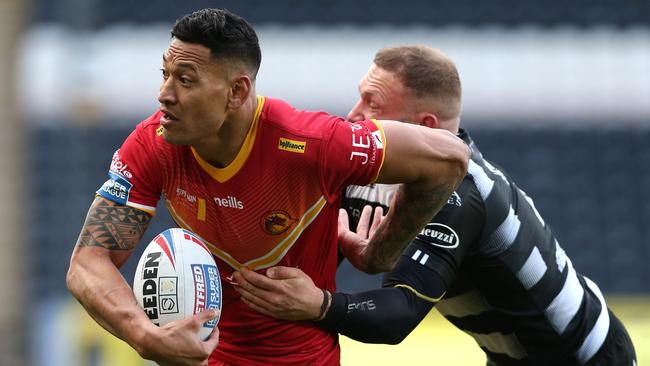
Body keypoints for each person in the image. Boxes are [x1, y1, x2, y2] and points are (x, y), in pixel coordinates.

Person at [65, 10, 470, 366]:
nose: (164, 94)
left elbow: (449, 158)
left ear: (237, 92)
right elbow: (87, 263)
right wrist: (144, 334)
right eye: (165, 74)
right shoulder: (155, 143)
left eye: (185, 80)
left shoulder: (312, 143)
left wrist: (380, 253)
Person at [232, 45, 637, 365]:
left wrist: (320, 305)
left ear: (424, 127)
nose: (355, 116)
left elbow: (398, 315)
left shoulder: (459, 193)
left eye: (372, 103)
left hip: (587, 357)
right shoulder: (370, 170)